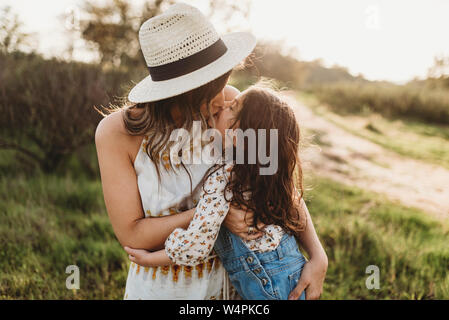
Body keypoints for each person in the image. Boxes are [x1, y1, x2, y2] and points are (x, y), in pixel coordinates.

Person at [96, 3, 327, 300]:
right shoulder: (117, 133)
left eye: (224, 76)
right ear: (182, 91)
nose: (225, 94)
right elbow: (132, 235)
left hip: (236, 287)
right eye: (212, 85)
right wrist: (214, 212)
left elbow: (276, 182)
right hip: (164, 289)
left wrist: (318, 255)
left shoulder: (231, 108)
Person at [125, 85, 326, 300]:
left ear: (238, 137)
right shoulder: (264, 172)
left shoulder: (223, 183)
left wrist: (149, 260)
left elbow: (196, 245)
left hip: (270, 289)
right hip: (293, 271)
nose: (225, 103)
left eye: (233, 106)